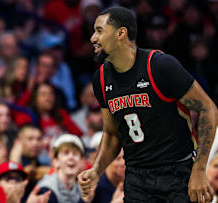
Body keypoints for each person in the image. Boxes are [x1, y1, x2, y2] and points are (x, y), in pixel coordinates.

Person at [77, 6, 218, 203]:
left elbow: (208, 108)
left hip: (177, 172)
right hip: (136, 177)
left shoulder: (159, 66)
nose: (93, 38)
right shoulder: (101, 78)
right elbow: (111, 133)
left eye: (99, 30)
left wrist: (200, 169)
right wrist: (97, 170)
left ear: (121, 33)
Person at [37, 133, 85, 203]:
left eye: (75, 153)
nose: (71, 157)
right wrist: (84, 201)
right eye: (66, 153)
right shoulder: (46, 189)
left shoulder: (81, 190)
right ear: (55, 161)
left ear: (81, 161)